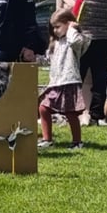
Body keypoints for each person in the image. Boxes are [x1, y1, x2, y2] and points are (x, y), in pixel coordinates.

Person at [38, 9, 91, 150]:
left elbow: (76, 42)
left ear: (68, 24)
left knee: (71, 113)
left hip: (69, 82)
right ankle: (47, 139)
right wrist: (35, 59)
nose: (55, 30)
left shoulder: (75, 39)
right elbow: (47, 59)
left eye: (58, 27)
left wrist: (72, 29)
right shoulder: (55, 43)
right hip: (55, 83)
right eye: (53, 27)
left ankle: (77, 141)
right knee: (43, 108)